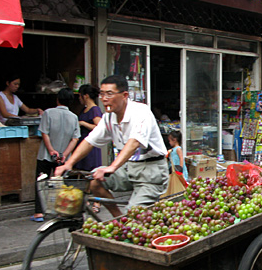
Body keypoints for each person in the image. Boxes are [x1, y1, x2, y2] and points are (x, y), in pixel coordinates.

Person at [55, 75, 169, 217]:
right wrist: (69, 163)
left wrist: (112, 167)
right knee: (95, 182)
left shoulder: (140, 112)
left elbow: (134, 142)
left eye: (109, 93)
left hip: (152, 172)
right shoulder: (109, 117)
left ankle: (127, 221)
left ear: (124, 95)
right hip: (128, 168)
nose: (104, 98)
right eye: (102, 94)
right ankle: (117, 218)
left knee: (133, 215)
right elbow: (90, 141)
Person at [31, 88, 80, 222]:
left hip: (46, 155)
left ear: (57, 99)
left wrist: (51, 150)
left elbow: (44, 132)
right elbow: (75, 139)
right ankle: (61, 211)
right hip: (64, 157)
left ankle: (39, 213)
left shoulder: (48, 113)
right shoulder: (74, 117)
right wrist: (64, 154)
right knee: (61, 184)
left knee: (41, 182)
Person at [75, 84, 103, 171]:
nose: (79, 98)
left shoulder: (95, 110)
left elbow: (99, 127)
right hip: (82, 142)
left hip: (91, 145)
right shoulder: (84, 109)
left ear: (86, 96)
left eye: (80, 96)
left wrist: (83, 123)